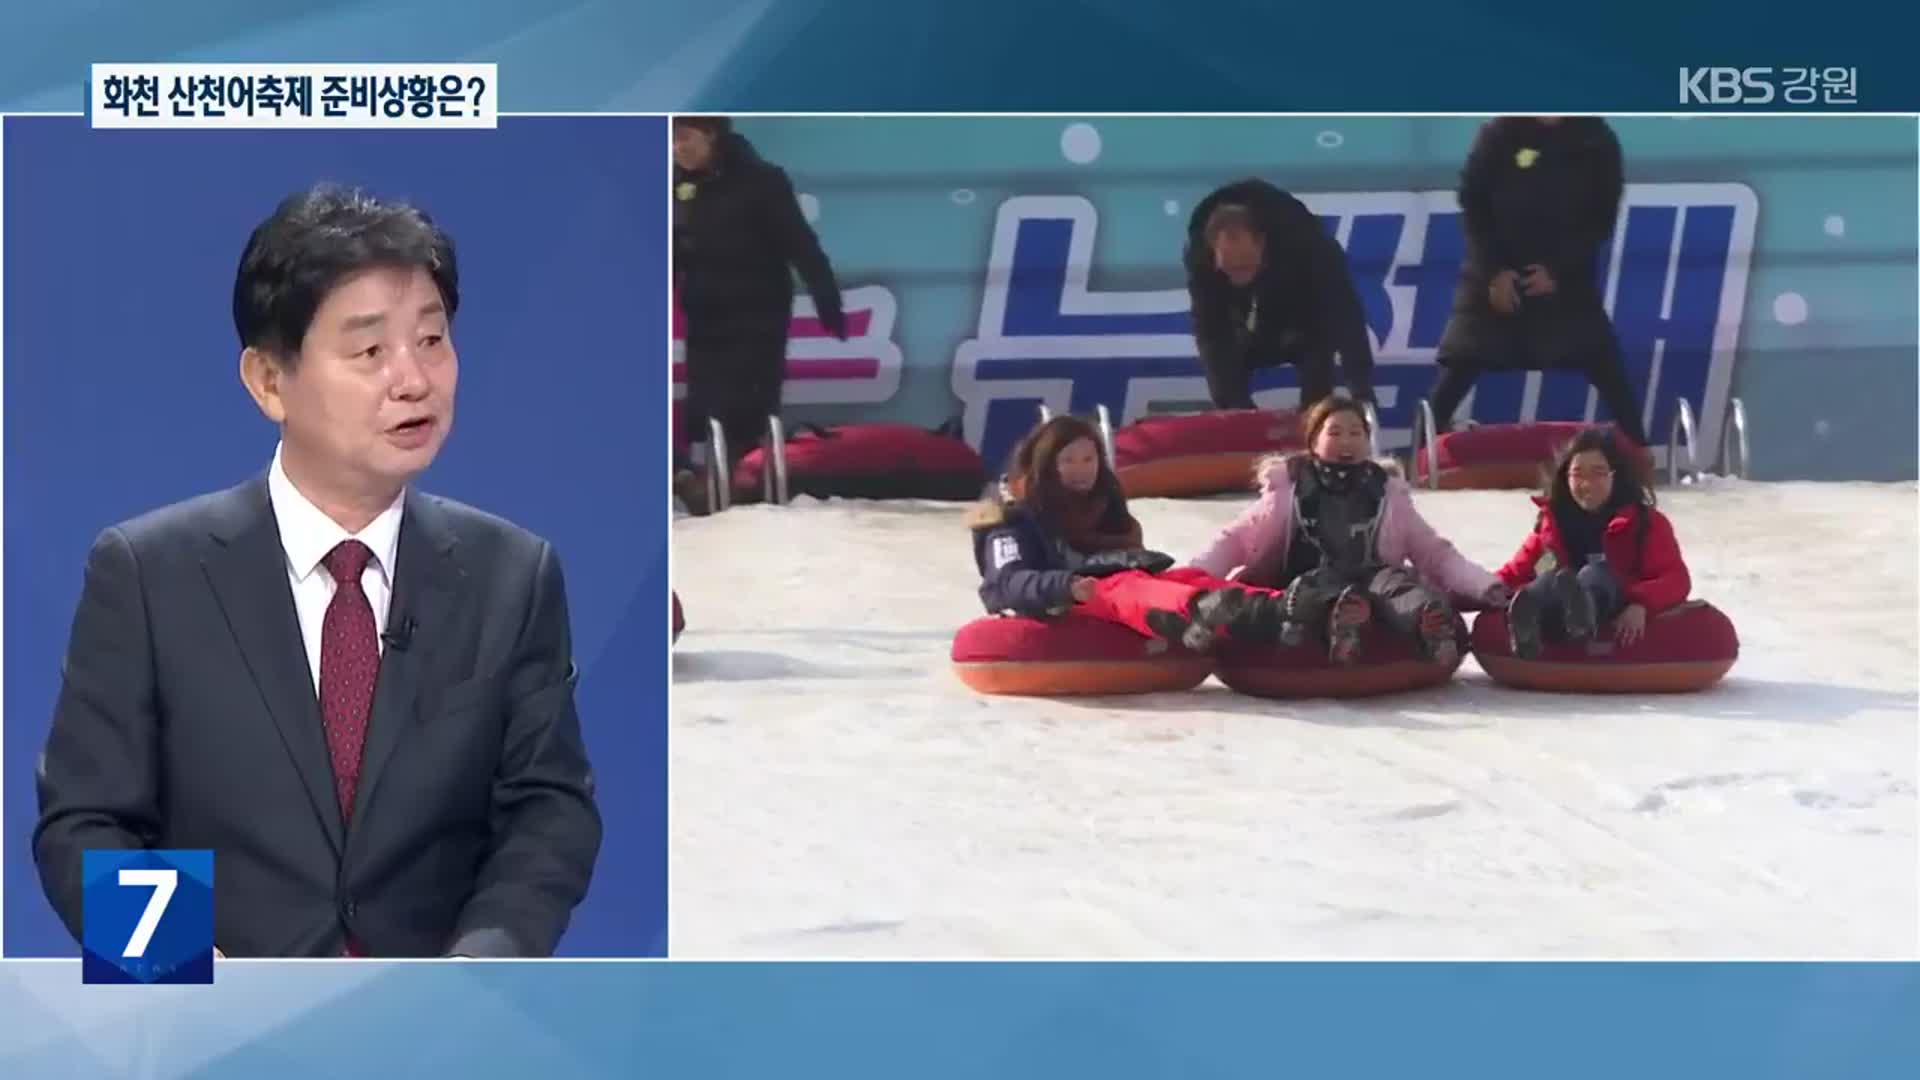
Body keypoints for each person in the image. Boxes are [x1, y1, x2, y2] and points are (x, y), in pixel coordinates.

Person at [33, 184, 603, 959]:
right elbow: (85, 826)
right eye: (370, 351)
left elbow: (549, 811)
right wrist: (183, 968)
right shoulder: (147, 573)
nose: (413, 379)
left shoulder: (513, 574)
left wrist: (477, 975)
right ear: (270, 381)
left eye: (432, 340)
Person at [1189, 396, 1509, 666]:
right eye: (1335, 432)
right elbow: (1236, 539)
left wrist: (1485, 587)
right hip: (1298, 578)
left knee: (1401, 586)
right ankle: (1333, 621)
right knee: (1284, 593)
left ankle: (1428, 622)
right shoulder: (1287, 490)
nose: (1347, 442)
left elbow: (1435, 553)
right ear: (1314, 441)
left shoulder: (1387, 493)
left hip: (1370, 580)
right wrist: (1191, 578)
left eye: (1356, 433)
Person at [968, 415, 1286, 652]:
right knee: (1125, 586)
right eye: (1068, 461)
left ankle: (1279, 609)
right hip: (1058, 601)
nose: (1082, 469)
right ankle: (1199, 611)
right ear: (1045, 467)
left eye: (1089, 459)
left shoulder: (1104, 502)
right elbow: (1006, 581)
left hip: (1106, 592)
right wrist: (1065, 586)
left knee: (1181, 577)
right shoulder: (1013, 516)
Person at [1430, 116, 1649, 446]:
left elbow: (1601, 219)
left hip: (1566, 279)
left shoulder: (1596, 139)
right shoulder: (1499, 133)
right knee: (1462, 364)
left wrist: (1557, 270)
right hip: (1494, 277)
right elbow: (1473, 202)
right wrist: (1494, 271)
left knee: (1605, 365)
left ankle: (1641, 451)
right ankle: (1416, 459)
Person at [673, 115, 846, 512]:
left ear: (712, 136)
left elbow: (800, 244)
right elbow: (674, 250)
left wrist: (826, 299)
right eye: (673, 141)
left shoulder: (762, 180)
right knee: (708, 411)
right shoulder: (679, 185)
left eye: (685, 139)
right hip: (706, 316)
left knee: (746, 412)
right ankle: (714, 492)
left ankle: (748, 497)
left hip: (757, 315)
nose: (678, 149)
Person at [1496, 427, 1692, 658]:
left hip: (1614, 598)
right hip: (1558, 603)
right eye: (1578, 474)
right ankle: (1528, 621)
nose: (1587, 484)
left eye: (1598, 473)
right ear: (1565, 478)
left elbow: (1676, 578)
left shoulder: (1644, 523)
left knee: (1595, 574)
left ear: (1615, 475)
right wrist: (1473, 591)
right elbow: (1514, 573)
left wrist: (1641, 604)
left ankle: (1583, 607)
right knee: (1548, 579)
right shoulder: (1552, 525)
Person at [1184, 178, 1376, 414]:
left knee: (1318, 347)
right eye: (1230, 268)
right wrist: (1235, 406)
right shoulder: (1200, 258)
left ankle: (1315, 416)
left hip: (1303, 312)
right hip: (1245, 326)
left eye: (1245, 264)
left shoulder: (1310, 245)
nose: (1239, 273)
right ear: (1213, 251)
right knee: (1227, 370)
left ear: (1262, 243)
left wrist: (1361, 386)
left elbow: (1345, 311)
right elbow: (1210, 333)